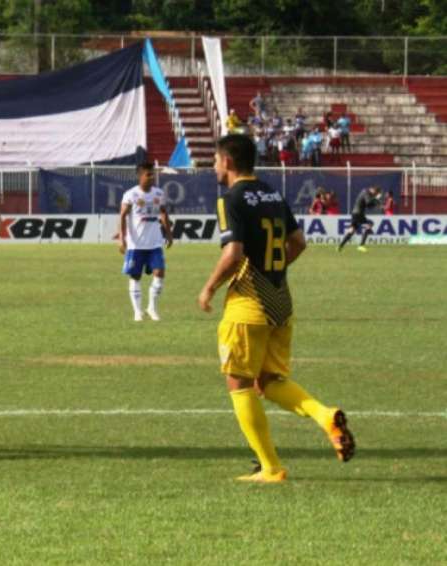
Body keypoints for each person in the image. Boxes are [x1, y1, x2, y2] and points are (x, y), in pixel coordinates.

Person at [197, 134, 355, 483]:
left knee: (238, 382)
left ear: (228, 161)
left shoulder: (230, 199)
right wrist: (273, 271)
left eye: (215, 160)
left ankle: (270, 467)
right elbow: (297, 243)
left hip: (249, 304)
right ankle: (324, 415)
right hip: (281, 301)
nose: (213, 166)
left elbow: (233, 253)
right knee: (267, 382)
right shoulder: (272, 193)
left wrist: (209, 287)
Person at [119, 161, 173, 322]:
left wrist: (169, 234)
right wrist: (121, 238)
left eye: (153, 174)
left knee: (160, 272)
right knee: (135, 276)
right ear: (140, 176)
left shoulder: (158, 193)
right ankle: (137, 312)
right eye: (148, 174)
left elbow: (163, 213)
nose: (152, 177)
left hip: (155, 242)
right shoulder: (131, 195)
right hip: (136, 244)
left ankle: (152, 308)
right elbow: (122, 215)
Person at [338, 186, 382, 253]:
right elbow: (369, 203)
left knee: (352, 230)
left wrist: (376, 201)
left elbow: (369, 206)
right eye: (375, 193)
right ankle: (361, 245)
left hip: (355, 213)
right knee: (369, 224)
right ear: (373, 190)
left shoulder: (366, 192)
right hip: (359, 213)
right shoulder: (366, 192)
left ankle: (340, 247)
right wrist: (376, 199)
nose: (374, 195)